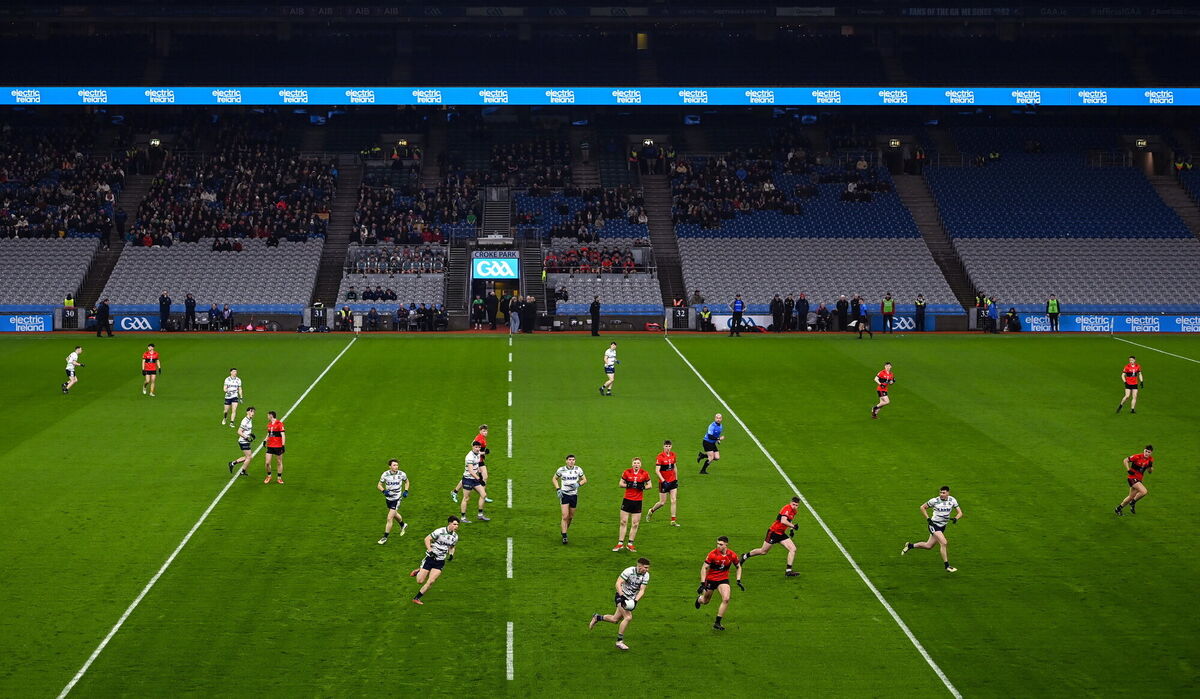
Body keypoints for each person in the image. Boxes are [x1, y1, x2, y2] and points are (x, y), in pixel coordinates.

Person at [588, 558, 651, 651]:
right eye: (645, 567)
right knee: (628, 617)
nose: (647, 569)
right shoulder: (629, 571)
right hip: (621, 596)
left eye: (648, 568)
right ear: (639, 566)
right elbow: (618, 583)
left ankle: (597, 617)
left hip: (630, 599)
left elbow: (642, 590)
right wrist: (621, 596)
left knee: (615, 619)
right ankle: (619, 642)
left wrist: (635, 601)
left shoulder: (646, 575)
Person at [901, 486, 963, 573]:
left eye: (943, 493)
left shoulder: (952, 500)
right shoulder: (934, 501)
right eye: (940, 492)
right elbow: (922, 507)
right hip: (934, 525)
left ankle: (910, 546)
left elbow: (960, 513)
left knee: (928, 546)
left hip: (942, 526)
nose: (941, 494)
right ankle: (947, 566)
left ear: (948, 493)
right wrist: (928, 519)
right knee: (944, 542)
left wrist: (956, 518)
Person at [741, 496, 801, 577]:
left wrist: (791, 529)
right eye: (793, 504)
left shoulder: (794, 511)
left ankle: (788, 571)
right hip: (773, 532)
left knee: (793, 549)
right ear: (790, 503)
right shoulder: (787, 508)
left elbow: (790, 520)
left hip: (781, 533)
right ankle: (745, 556)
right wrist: (793, 526)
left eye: (796, 505)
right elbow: (783, 521)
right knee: (763, 551)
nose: (794, 506)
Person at [694, 536, 744, 631]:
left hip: (723, 580)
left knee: (726, 599)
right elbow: (704, 567)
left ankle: (717, 623)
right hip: (711, 580)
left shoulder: (732, 555)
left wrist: (738, 580)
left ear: (726, 545)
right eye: (717, 544)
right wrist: (702, 583)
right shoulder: (712, 554)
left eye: (721, 544)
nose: (718, 546)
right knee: (705, 601)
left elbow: (738, 566)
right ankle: (699, 599)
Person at [409, 516, 460, 605]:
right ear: (449, 523)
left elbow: (452, 547)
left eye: (457, 525)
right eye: (454, 524)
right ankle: (419, 571)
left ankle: (416, 598)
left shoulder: (455, 536)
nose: (456, 526)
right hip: (430, 558)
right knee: (420, 581)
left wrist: (451, 554)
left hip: (440, 561)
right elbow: (427, 539)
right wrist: (430, 550)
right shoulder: (440, 531)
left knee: (431, 581)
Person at [614, 457, 650, 552]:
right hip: (627, 500)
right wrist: (628, 485)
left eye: (638, 463)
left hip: (638, 501)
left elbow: (650, 485)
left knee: (635, 524)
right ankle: (620, 543)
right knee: (623, 521)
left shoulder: (645, 473)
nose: (636, 464)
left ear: (640, 464)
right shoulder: (627, 472)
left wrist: (642, 487)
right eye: (635, 463)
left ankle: (630, 544)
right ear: (632, 464)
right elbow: (620, 484)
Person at [553, 454, 587, 544]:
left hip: (574, 495)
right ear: (566, 461)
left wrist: (578, 484)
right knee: (565, 516)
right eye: (570, 460)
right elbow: (554, 479)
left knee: (570, 517)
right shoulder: (561, 470)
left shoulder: (578, 469)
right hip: (564, 495)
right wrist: (558, 489)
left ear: (575, 461)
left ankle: (564, 530)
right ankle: (564, 536)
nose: (571, 461)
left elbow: (584, 479)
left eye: (573, 460)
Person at [452, 425, 490, 503]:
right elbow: (474, 446)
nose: (485, 432)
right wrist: (483, 452)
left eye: (486, 431)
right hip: (478, 460)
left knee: (482, 477)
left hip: (480, 459)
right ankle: (483, 495)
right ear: (480, 431)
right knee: (473, 477)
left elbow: (472, 443)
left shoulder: (481, 437)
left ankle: (455, 492)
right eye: (483, 431)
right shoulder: (480, 439)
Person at [376, 459, 410, 544]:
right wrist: (384, 491)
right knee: (394, 514)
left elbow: (407, 482)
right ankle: (403, 525)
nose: (396, 467)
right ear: (390, 466)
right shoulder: (385, 474)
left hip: (397, 498)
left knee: (389, 517)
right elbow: (379, 485)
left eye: (397, 465)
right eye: (394, 465)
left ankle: (385, 537)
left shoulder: (402, 474)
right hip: (389, 498)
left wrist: (406, 490)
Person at [646, 440, 679, 525]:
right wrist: (663, 481)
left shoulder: (673, 455)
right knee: (662, 502)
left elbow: (674, 467)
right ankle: (651, 510)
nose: (668, 448)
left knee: (673, 500)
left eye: (669, 446)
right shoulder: (660, 457)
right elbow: (657, 471)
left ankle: (673, 520)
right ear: (663, 447)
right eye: (666, 446)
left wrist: (676, 479)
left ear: (671, 446)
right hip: (663, 482)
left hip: (672, 481)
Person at [1115, 445, 1154, 516]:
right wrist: (1128, 470)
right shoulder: (1137, 456)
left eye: (1149, 452)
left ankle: (1118, 509)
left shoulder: (1150, 460)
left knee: (1130, 497)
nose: (1146, 453)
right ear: (1144, 450)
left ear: (1151, 453)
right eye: (1146, 451)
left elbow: (1149, 472)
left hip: (1139, 479)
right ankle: (1133, 502)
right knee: (1144, 491)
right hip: (1132, 478)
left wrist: (1150, 467)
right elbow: (1125, 460)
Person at [459, 442, 490, 523]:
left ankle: (480, 515)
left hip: (474, 479)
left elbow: (479, 454)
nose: (478, 449)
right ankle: (463, 518)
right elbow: (471, 471)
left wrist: (485, 452)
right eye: (476, 447)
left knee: (483, 494)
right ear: (472, 447)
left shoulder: (477, 453)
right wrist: (479, 479)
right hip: (468, 479)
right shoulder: (469, 457)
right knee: (466, 498)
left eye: (479, 447)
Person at [227, 406, 255, 476]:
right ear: (248, 412)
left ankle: (232, 463)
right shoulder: (245, 421)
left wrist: (251, 434)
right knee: (249, 457)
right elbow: (239, 431)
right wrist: (246, 437)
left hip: (245, 441)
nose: (253, 413)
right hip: (243, 441)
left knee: (248, 457)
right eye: (252, 411)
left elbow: (246, 429)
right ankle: (242, 471)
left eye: (254, 412)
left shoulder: (249, 419)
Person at [263, 410, 286, 484]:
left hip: (278, 446)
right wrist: (265, 440)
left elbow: (283, 435)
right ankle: (269, 476)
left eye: (268, 415)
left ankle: (279, 478)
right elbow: (269, 434)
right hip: (270, 446)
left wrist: (283, 445)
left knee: (279, 462)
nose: (267, 417)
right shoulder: (269, 425)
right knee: (267, 463)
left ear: (271, 415)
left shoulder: (279, 424)